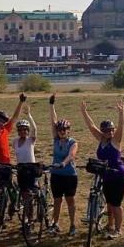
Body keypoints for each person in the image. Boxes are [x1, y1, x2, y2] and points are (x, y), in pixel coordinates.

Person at [80, 100, 124, 239]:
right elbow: (91, 126)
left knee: (116, 204)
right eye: (107, 130)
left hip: (119, 175)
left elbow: (121, 128)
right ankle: (110, 224)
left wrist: (121, 113)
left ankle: (118, 230)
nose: (110, 132)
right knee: (109, 203)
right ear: (103, 132)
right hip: (106, 175)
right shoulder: (101, 140)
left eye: (111, 130)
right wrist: (84, 112)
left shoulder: (115, 141)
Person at [48, 94, 78, 236]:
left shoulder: (73, 142)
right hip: (56, 175)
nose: (61, 132)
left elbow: (72, 155)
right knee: (57, 201)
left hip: (69, 175)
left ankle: (72, 225)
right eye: (60, 130)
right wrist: (51, 104)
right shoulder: (55, 140)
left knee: (70, 200)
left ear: (68, 130)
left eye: (64, 130)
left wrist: (63, 163)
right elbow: (53, 121)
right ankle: (55, 223)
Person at [12, 103, 38, 201]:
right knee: (23, 191)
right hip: (21, 169)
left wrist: (29, 115)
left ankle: (30, 213)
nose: (23, 131)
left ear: (27, 130)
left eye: (25, 130)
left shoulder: (30, 140)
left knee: (30, 193)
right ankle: (26, 213)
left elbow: (34, 129)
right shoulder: (15, 141)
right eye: (20, 130)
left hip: (31, 168)